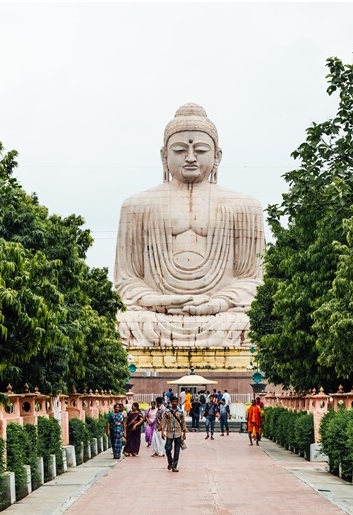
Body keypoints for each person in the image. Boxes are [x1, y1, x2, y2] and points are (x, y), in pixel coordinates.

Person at [114, 103, 266, 348]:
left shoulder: (245, 206)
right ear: (164, 156)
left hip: (222, 315)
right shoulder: (136, 205)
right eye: (180, 150)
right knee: (123, 321)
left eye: (201, 150)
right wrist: (158, 301)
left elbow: (252, 279)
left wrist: (218, 303)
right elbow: (127, 280)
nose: (191, 157)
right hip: (155, 316)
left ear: (217, 156)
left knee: (251, 324)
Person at [160, 395, 187, 472]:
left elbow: (183, 422)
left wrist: (184, 432)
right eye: (173, 402)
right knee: (167, 449)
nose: (174, 403)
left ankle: (174, 466)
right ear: (171, 402)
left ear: (178, 402)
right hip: (169, 433)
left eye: (176, 401)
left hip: (178, 433)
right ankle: (170, 461)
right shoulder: (167, 412)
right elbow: (164, 422)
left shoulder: (181, 412)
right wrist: (162, 432)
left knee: (177, 450)